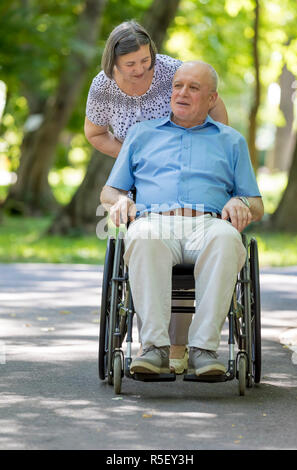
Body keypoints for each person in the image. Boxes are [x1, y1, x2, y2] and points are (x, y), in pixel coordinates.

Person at [100, 61, 264, 376]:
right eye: (178, 86)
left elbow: (256, 203)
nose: (182, 93)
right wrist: (120, 201)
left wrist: (240, 201)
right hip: (154, 222)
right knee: (143, 236)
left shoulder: (231, 141)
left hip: (209, 224)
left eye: (193, 88)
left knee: (228, 238)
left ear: (212, 99)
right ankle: (154, 349)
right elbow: (109, 191)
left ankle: (204, 350)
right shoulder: (142, 134)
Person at [85, 20, 229, 372]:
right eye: (130, 65)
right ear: (113, 64)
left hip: (192, 167)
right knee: (148, 240)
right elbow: (94, 132)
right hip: (142, 170)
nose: (140, 70)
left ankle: (182, 349)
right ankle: (154, 348)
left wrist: (221, 146)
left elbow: (208, 101)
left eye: (145, 61)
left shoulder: (169, 71)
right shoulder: (102, 87)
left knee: (198, 244)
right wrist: (135, 154)